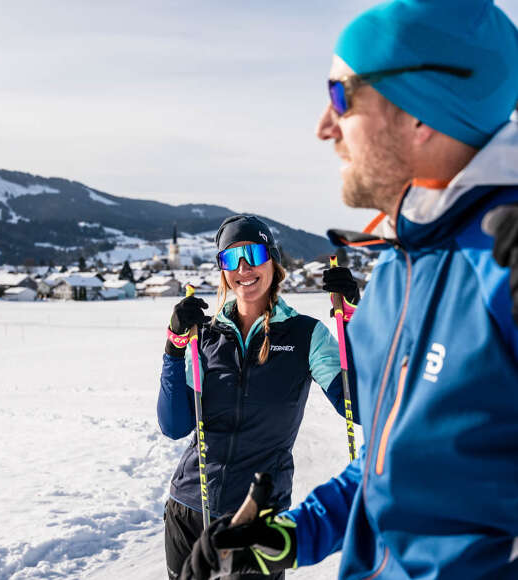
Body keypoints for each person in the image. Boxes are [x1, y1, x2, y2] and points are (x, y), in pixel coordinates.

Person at [181, 1, 518, 579]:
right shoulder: (398, 267)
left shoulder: (504, 264)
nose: (323, 125)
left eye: (340, 97)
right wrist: (287, 535)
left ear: (421, 109)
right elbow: (385, 469)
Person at [157, 214, 359, 580]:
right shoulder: (206, 336)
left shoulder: (306, 335)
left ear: (272, 259)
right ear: (222, 270)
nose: (244, 268)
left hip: (256, 520)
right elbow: (173, 426)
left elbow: (358, 407)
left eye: (252, 254)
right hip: (190, 507)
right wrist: (174, 348)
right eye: (231, 259)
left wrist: (354, 323)